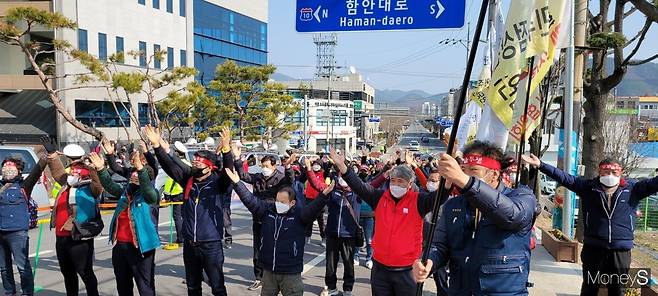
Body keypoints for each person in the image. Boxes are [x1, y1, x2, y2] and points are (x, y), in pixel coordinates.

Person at [522, 154, 658, 296]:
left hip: (620, 250)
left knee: (618, 289)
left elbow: (655, 183)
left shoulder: (633, 189)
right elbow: (565, 178)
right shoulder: (588, 188)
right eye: (606, 172)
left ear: (620, 173)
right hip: (593, 249)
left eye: (614, 172)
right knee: (590, 288)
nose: (610, 175)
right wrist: (541, 165)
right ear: (600, 173)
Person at [412, 141, 537, 295]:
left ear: (494, 174)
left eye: (474, 170)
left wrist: (466, 182)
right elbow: (440, 245)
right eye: (464, 170)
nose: (466, 175)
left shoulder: (521, 197)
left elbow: (512, 215)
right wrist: (429, 261)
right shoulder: (454, 205)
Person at [327, 147, 436, 295]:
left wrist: (449, 179)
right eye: (394, 181)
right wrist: (343, 168)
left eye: (401, 182)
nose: (396, 185)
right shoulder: (379, 197)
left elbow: (439, 196)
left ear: (410, 184)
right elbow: (359, 186)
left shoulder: (419, 201)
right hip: (380, 270)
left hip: (407, 270)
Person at [144, 125, 233, 296]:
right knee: (192, 287)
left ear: (209, 166)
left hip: (211, 244)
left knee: (217, 287)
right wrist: (157, 146)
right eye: (195, 158)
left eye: (200, 160)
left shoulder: (217, 184)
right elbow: (169, 166)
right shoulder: (188, 181)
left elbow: (228, 171)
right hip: (190, 245)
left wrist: (227, 150)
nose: (195, 161)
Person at [225, 167, 332, 296]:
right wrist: (238, 183)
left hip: (291, 274)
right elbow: (250, 201)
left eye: (282, 202)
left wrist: (324, 196)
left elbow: (313, 208)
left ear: (292, 203)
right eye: (277, 201)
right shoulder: (267, 211)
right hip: (269, 272)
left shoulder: (300, 216)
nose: (278, 204)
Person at [89, 151, 160, 296]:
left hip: (141, 248)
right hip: (121, 247)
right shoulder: (125, 192)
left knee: (145, 287)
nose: (134, 175)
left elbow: (147, 189)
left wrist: (141, 169)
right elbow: (109, 185)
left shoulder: (151, 195)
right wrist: (101, 169)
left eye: (138, 174)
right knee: (123, 285)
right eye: (133, 173)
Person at [232, 146, 295, 291]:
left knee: (275, 247)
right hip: (259, 217)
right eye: (262, 166)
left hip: (275, 218)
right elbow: (243, 175)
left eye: (266, 166)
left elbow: (290, 180)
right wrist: (237, 158)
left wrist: (289, 166)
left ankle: (277, 278)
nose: (263, 168)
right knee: (257, 249)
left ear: (273, 166)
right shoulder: (258, 177)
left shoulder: (280, 178)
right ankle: (258, 278)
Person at [47, 145, 103, 296]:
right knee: (68, 274)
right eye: (72, 170)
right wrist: (52, 156)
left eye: (78, 171)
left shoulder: (89, 184)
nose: (74, 173)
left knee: (85, 273)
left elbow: (98, 188)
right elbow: (58, 173)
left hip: (79, 233)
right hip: (61, 235)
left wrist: (93, 169)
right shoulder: (67, 182)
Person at [0, 137, 50, 296]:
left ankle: (27, 292)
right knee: (3, 267)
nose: (7, 169)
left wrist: (46, 156)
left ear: (19, 170)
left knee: (22, 266)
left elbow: (36, 172)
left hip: (18, 233)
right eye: (5, 167)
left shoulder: (23, 186)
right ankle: (9, 292)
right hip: (0, 232)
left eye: (11, 167)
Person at [305, 158, 360, 296]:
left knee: (348, 264)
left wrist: (385, 172)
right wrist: (309, 169)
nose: (342, 179)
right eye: (340, 176)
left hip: (349, 234)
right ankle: (332, 287)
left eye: (345, 176)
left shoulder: (358, 192)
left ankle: (348, 289)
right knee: (330, 264)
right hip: (332, 233)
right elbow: (316, 184)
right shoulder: (332, 190)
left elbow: (375, 183)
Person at [161, 141, 191, 244]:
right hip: (185, 193)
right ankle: (187, 235)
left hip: (176, 193)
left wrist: (167, 193)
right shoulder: (188, 163)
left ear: (177, 153)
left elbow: (170, 181)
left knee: (177, 217)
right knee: (185, 215)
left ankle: (181, 238)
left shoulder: (175, 164)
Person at [303, 158, 327, 245]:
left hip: (319, 200)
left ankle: (323, 238)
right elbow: (306, 170)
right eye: (314, 164)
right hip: (309, 199)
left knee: (321, 221)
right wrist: (309, 161)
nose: (315, 166)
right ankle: (307, 237)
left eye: (318, 165)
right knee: (309, 220)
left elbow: (330, 168)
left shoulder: (324, 174)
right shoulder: (310, 174)